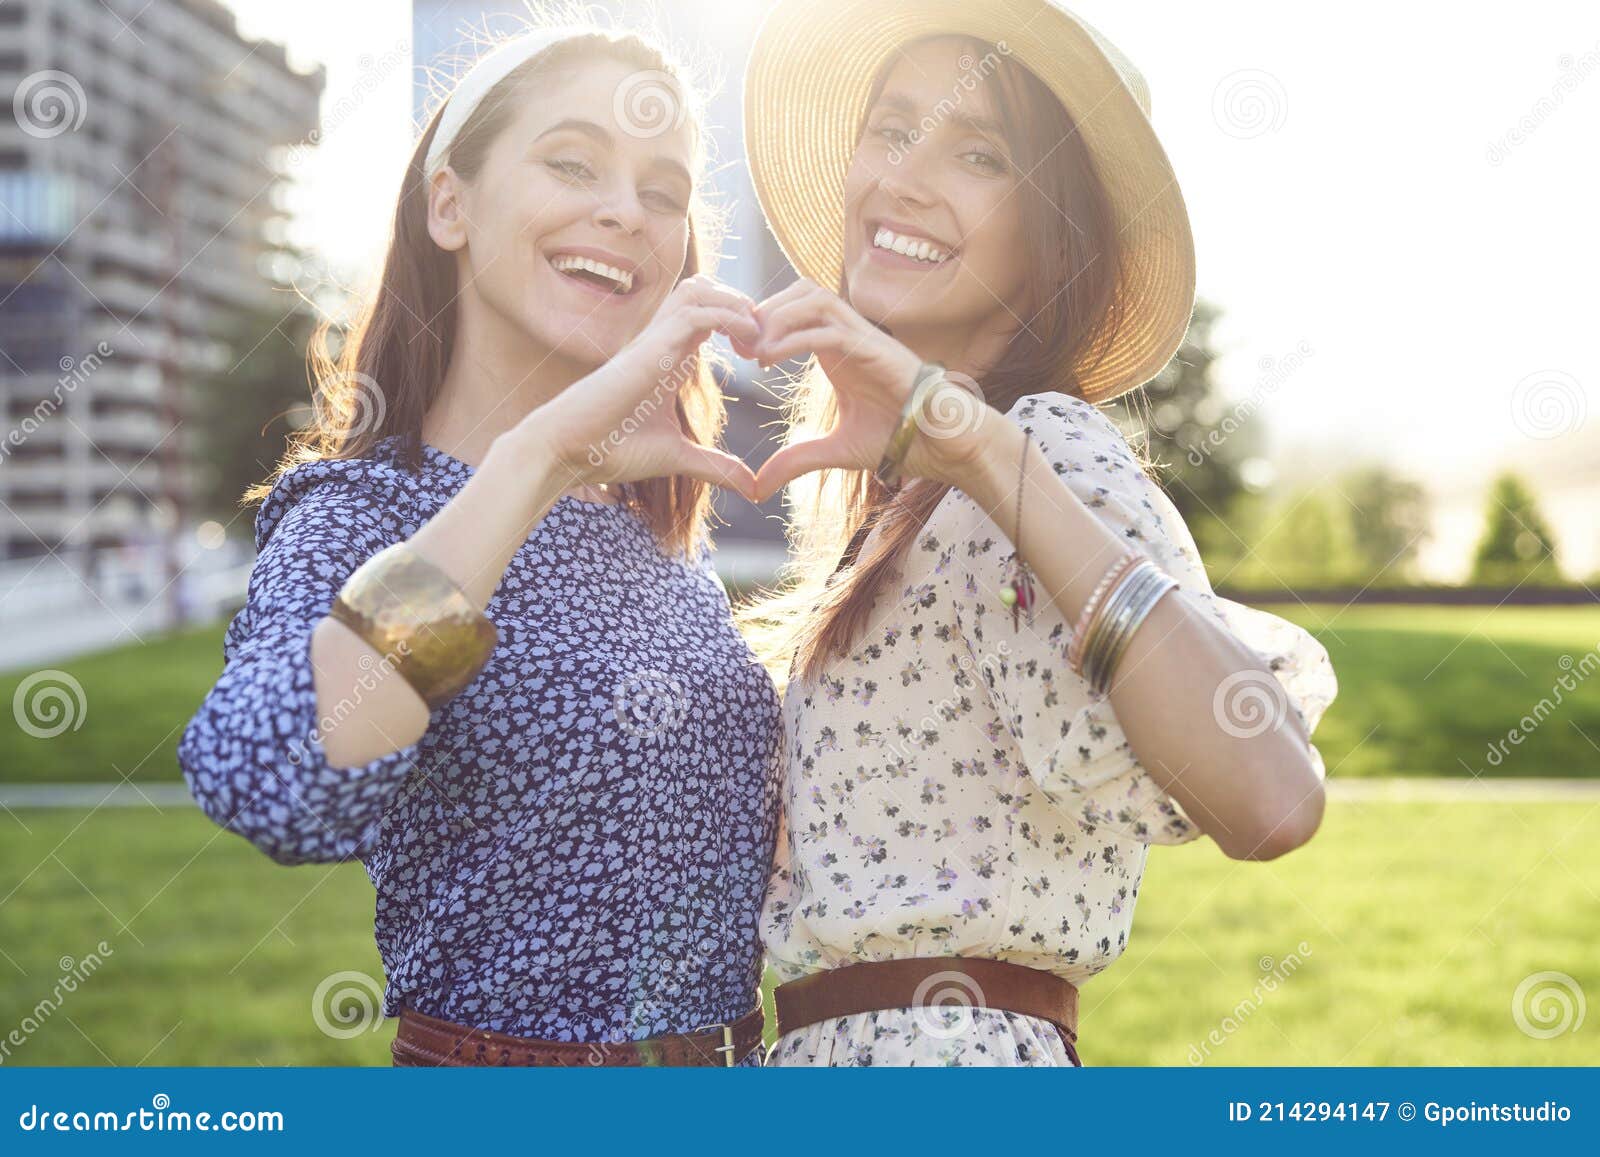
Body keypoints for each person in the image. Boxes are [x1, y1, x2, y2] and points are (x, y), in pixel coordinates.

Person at [739, 0, 1339, 1066]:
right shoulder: (895, 494)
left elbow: (1271, 797)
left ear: (1053, 237)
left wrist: (984, 453)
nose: (904, 177)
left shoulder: (1040, 452)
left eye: (978, 153)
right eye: (890, 129)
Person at [179, 23, 781, 1067]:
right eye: (572, 161)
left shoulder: (653, 539)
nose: (624, 212)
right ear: (448, 203)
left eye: (665, 190)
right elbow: (275, 778)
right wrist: (534, 455)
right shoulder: (361, 512)